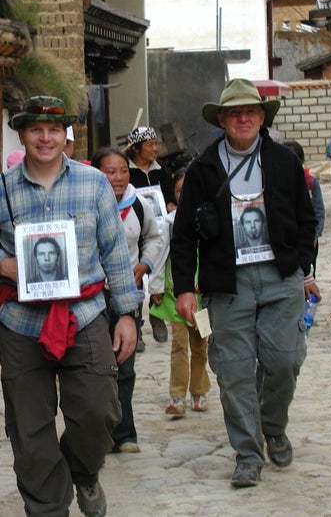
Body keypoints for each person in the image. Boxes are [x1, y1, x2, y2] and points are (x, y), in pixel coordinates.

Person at [0, 95, 143, 517]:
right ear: (23, 133)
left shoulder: (93, 183)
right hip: (22, 322)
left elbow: (115, 253)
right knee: (29, 427)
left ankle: (82, 474)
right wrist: (3, 265)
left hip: (84, 316)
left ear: (66, 134)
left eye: (53, 130)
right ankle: (48, 506)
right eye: (35, 130)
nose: (45, 138)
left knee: (99, 411)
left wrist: (126, 316)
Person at [171, 78, 321, 488]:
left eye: (250, 111)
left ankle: (272, 426)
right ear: (221, 119)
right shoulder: (203, 169)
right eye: (234, 112)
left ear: (261, 117)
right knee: (234, 371)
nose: (243, 118)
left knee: (284, 361)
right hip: (227, 283)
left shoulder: (283, 161)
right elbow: (183, 234)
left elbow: (307, 219)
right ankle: (248, 454)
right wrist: (185, 286)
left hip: (280, 277)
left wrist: (302, 266)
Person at [91, 146, 163, 453]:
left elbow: (156, 236)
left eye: (122, 171)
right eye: (110, 172)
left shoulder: (139, 205)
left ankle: (125, 432)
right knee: (96, 366)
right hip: (93, 298)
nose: (118, 178)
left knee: (125, 364)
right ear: (96, 174)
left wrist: (144, 265)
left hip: (127, 295)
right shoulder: (87, 205)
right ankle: (98, 432)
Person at [150, 168, 211, 418]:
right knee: (179, 346)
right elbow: (160, 254)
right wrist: (155, 287)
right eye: (178, 190)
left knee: (201, 345)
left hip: (202, 295)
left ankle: (199, 392)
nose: (183, 194)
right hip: (176, 293)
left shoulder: (208, 217)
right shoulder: (170, 222)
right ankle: (177, 397)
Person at [124, 126, 175, 348]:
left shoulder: (160, 169)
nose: (156, 149)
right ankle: (136, 326)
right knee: (134, 274)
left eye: (157, 144)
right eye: (151, 145)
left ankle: (157, 312)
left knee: (159, 270)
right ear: (136, 148)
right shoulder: (126, 171)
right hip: (133, 229)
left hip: (159, 230)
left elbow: (171, 197)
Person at [284, 140, 324, 277]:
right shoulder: (275, 183)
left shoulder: (311, 182)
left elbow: (319, 210)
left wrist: (315, 235)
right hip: (287, 239)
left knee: (308, 269)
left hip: (307, 236)